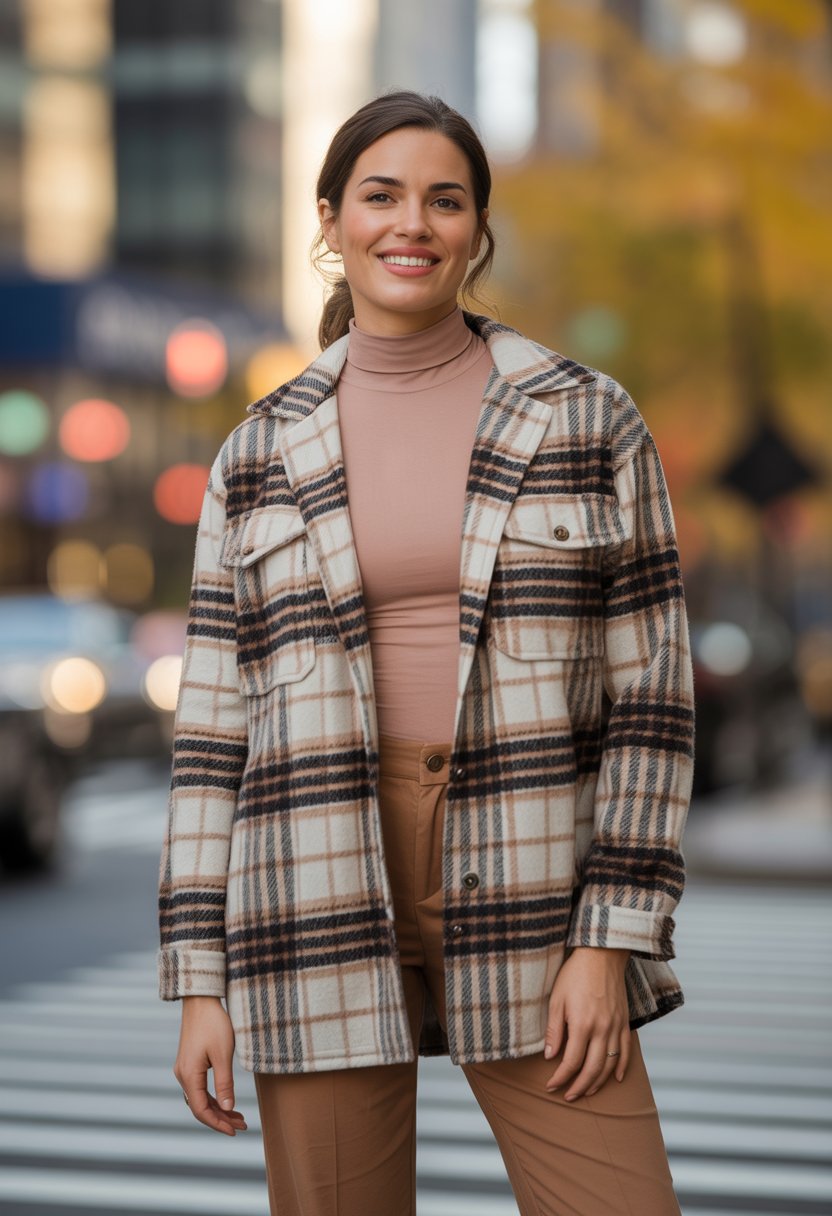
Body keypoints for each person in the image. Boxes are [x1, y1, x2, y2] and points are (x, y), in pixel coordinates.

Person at [157, 90, 695, 1216]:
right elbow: (213, 734)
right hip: (312, 879)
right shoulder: (256, 452)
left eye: (445, 200)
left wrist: (611, 936)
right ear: (331, 219)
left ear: (476, 231)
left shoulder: (582, 417)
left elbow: (652, 698)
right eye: (383, 195)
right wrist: (198, 980)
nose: (414, 224)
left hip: (534, 875)